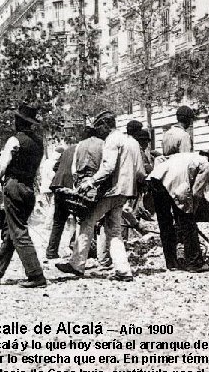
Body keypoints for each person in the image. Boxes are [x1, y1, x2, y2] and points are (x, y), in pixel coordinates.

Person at [56, 110, 145, 281]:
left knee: (88, 220)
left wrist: (90, 181)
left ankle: (76, 264)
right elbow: (140, 172)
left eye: (99, 128)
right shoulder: (132, 142)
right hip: (125, 192)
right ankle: (123, 270)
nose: (99, 133)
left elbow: (108, 168)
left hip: (111, 190)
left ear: (105, 125)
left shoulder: (112, 140)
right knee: (114, 230)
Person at [0, 104, 47, 288]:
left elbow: (1, 167)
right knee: (11, 230)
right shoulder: (38, 143)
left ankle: (36, 275)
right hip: (29, 188)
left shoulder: (14, 141)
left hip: (14, 187)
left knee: (18, 231)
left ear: (18, 122)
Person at [148, 148, 209, 272]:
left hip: (155, 181)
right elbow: (196, 192)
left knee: (165, 224)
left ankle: (171, 262)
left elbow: (160, 160)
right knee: (188, 225)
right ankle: (194, 263)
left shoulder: (188, 155)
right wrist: (192, 213)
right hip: (175, 184)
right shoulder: (206, 165)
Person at [46, 139, 79, 260]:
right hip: (72, 187)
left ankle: (51, 251)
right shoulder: (84, 149)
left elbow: (55, 167)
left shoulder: (68, 150)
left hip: (59, 185)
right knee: (81, 219)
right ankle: (74, 247)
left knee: (58, 221)